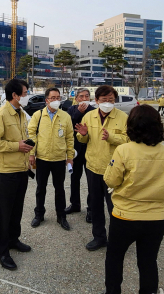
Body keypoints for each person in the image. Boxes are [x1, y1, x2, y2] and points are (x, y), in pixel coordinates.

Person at [98, 105, 164, 294]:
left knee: (115, 258)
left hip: (126, 216)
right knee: (148, 262)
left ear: (130, 126)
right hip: (155, 218)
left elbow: (111, 181)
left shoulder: (124, 150)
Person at [74, 85, 129, 251]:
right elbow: (82, 140)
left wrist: (111, 137)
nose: (107, 103)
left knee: (115, 206)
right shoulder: (89, 116)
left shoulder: (123, 117)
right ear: (96, 101)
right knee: (96, 205)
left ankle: (118, 239)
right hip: (93, 167)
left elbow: (129, 140)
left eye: (111, 100)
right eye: (104, 100)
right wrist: (82, 135)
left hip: (114, 169)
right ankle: (99, 237)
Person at [0, 79, 33, 270]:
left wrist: (29, 153)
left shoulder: (21, 113)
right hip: (6, 172)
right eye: (24, 92)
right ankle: (1, 250)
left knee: (17, 209)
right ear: (14, 95)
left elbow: (22, 139)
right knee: (4, 212)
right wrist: (17, 146)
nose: (26, 96)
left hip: (21, 169)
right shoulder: (1, 114)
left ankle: (14, 239)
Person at [28, 88, 74, 231]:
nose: (56, 100)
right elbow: (32, 135)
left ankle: (61, 216)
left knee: (59, 189)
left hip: (59, 158)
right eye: (53, 97)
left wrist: (70, 157)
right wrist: (31, 153)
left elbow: (69, 138)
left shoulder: (65, 116)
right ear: (46, 100)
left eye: (58, 97)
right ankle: (39, 214)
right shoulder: (38, 115)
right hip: (42, 158)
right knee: (40, 188)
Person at [64, 88, 96, 222]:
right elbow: (69, 125)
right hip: (76, 149)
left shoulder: (94, 111)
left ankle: (91, 208)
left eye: (87, 96)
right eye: (81, 96)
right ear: (76, 98)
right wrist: (79, 112)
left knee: (91, 180)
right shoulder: (71, 110)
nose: (84, 99)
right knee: (74, 178)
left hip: (91, 148)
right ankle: (75, 204)